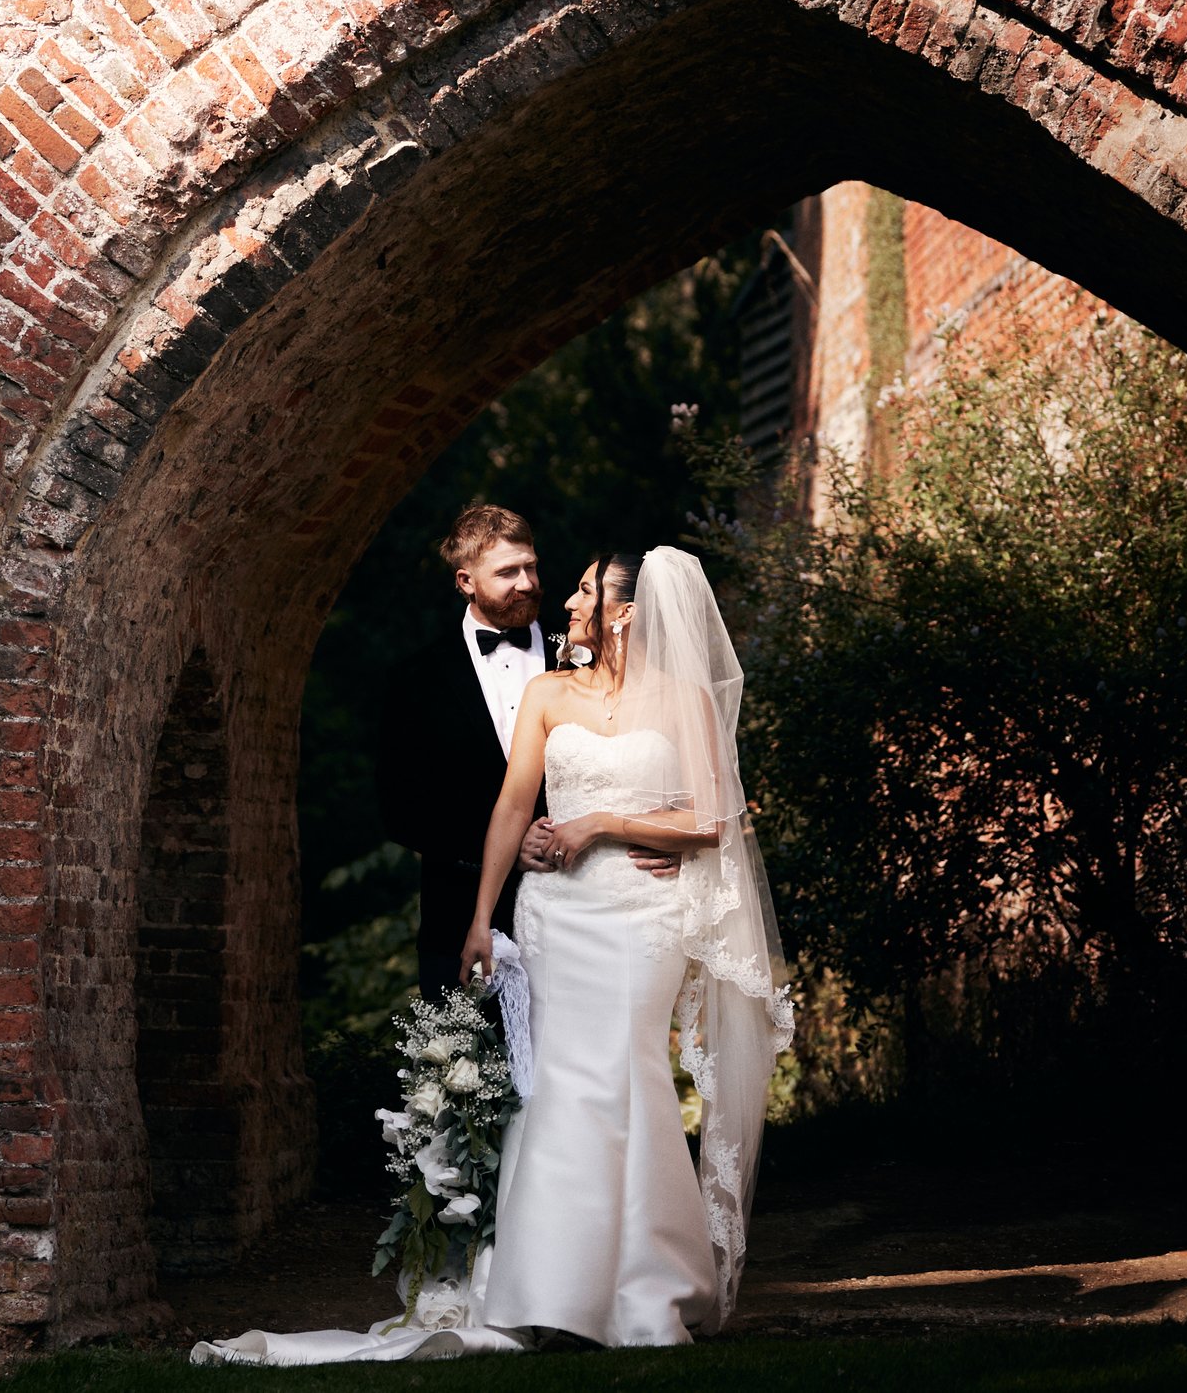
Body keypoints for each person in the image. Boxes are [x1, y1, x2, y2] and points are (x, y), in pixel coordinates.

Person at [193, 547, 791, 1364]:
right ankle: (544, 1289)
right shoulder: (548, 693)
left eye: (585, 589)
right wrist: (481, 917)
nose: (566, 600)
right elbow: (513, 805)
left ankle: (643, 1288)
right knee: (556, 1086)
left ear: (624, 612)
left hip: (643, 917)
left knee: (632, 1072)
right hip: (556, 914)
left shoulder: (684, 699)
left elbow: (714, 819)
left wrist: (604, 823)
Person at [381, 506, 675, 985]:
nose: (527, 583)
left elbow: (647, 756)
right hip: (462, 913)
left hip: (590, 903)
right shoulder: (417, 679)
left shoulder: (592, 642)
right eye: (507, 573)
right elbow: (402, 810)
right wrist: (507, 847)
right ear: (466, 581)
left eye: (531, 567)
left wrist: (660, 836)